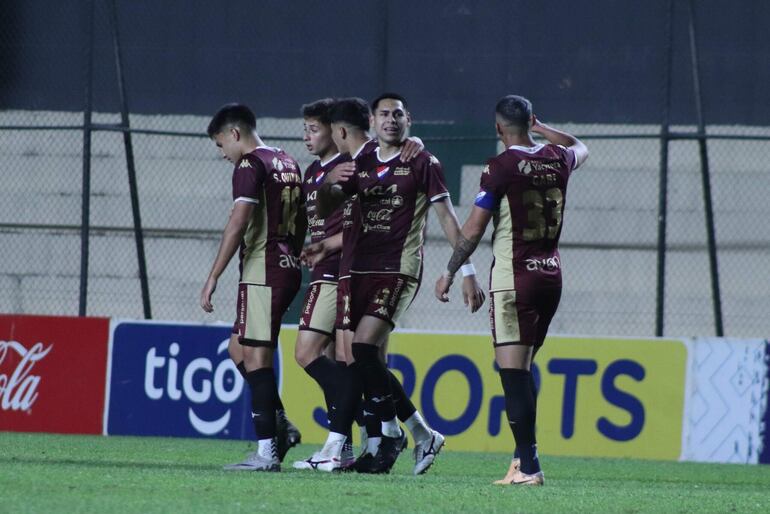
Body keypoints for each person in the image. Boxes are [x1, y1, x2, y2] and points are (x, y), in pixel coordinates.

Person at [317, 94, 486, 474]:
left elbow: (447, 217)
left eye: (398, 114)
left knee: (361, 349)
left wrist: (467, 271)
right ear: (373, 122)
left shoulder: (423, 162)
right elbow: (326, 208)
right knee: (365, 359)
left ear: (409, 119)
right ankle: (422, 433)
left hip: (397, 268)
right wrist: (329, 184)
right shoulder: (358, 163)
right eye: (384, 114)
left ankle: (393, 432)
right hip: (357, 268)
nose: (391, 120)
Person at [434, 95, 589, 486]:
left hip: (514, 278)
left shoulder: (500, 167)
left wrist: (451, 271)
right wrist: (542, 127)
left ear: (498, 128)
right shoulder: (557, 157)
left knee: (512, 374)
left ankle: (530, 467)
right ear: (530, 121)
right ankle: (522, 462)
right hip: (550, 275)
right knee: (522, 369)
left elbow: (472, 230)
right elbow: (580, 146)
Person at [294, 98, 437, 474]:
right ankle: (386, 440)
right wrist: (324, 243)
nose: (309, 135)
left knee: (348, 355)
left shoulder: (368, 158)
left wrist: (415, 142)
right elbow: (353, 221)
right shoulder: (331, 170)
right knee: (355, 359)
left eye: (314, 128)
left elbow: (404, 156)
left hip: (369, 270)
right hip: (355, 269)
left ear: (337, 131)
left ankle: (347, 444)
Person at [200, 103, 306, 472]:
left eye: (220, 145)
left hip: (263, 270)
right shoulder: (287, 160)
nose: (223, 154)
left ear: (234, 133)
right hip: (286, 266)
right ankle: (281, 423)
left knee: (257, 357)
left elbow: (238, 222)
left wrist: (214, 275)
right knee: (237, 349)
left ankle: (266, 453)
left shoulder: (249, 164)